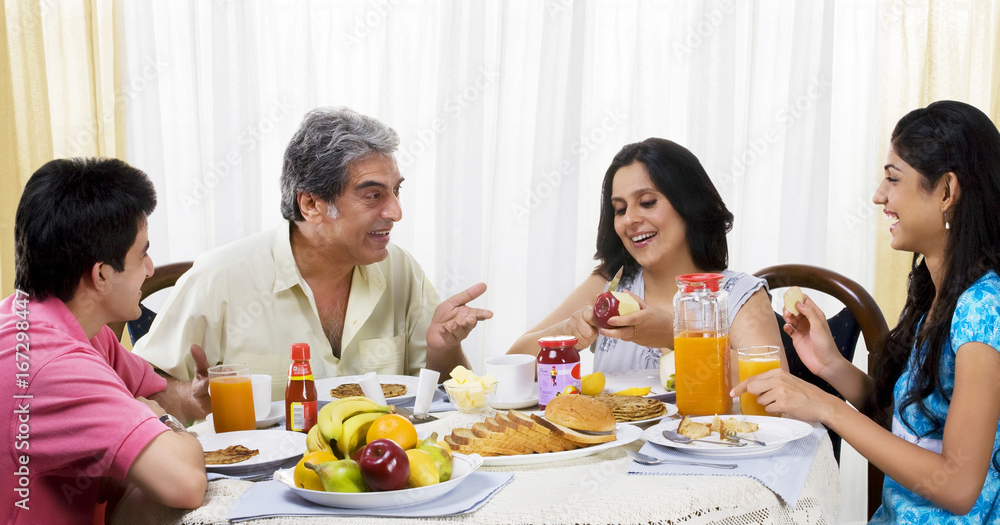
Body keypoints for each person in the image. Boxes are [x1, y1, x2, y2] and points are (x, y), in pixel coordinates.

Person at [732, 100, 1000, 522]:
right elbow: (914, 423)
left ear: (947, 191)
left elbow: (959, 486)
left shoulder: (984, 308)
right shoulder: (939, 291)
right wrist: (831, 366)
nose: (879, 196)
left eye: (893, 179)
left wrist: (826, 406)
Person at [132, 107, 493, 398]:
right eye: (373, 195)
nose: (396, 212)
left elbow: (443, 399)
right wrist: (187, 396)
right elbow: (139, 388)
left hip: (379, 478)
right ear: (311, 204)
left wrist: (444, 348)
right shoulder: (220, 278)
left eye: (396, 191)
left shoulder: (401, 271)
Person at [0, 158, 207, 524]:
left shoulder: (62, 321)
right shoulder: (52, 365)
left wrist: (191, 398)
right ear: (101, 275)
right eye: (141, 253)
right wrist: (163, 422)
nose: (149, 267)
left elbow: (154, 393)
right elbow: (184, 481)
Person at [509, 138, 784, 380]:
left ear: (689, 204)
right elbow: (512, 365)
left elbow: (774, 386)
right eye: (620, 209)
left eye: (648, 202)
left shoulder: (738, 295)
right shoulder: (609, 285)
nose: (629, 219)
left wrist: (674, 336)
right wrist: (568, 331)